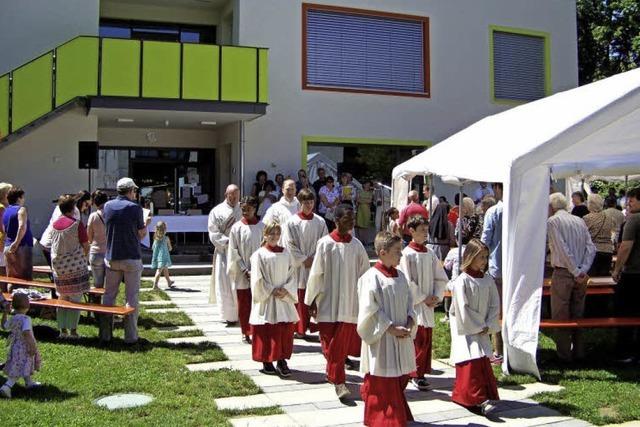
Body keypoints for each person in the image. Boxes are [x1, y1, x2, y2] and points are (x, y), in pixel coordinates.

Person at [305, 204, 370, 399]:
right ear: (336, 220)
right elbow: (316, 273)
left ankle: (339, 382)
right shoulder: (325, 243)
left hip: (349, 303)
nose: (351, 221)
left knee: (338, 346)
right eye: (346, 218)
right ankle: (333, 373)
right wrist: (311, 300)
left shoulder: (357, 246)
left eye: (353, 218)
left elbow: (365, 274)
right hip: (327, 301)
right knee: (328, 343)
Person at [358, 231, 416, 426]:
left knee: (399, 376)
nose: (400, 255)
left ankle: (397, 413)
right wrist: (390, 328)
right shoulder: (371, 277)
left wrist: (409, 321)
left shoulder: (401, 276)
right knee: (383, 377)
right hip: (382, 338)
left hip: (401, 335)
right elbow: (369, 309)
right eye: (397, 251)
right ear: (382, 252)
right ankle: (383, 418)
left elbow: (410, 302)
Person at [449, 239, 500, 415]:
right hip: (466, 329)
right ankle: (475, 399)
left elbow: (495, 304)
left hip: (483, 327)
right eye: (480, 257)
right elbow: (462, 307)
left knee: (482, 361)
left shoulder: (488, 280)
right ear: (470, 257)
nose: (484, 261)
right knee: (471, 362)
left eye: (486, 257)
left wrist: (488, 324)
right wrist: (478, 325)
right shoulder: (462, 281)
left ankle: (479, 396)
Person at [398, 216, 447, 391]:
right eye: (422, 230)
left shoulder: (430, 253)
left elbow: (440, 277)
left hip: (428, 305)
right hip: (415, 304)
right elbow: (406, 280)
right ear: (411, 231)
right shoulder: (406, 254)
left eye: (427, 230)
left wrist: (436, 296)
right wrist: (422, 297)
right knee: (416, 338)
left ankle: (421, 372)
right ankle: (414, 374)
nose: (425, 233)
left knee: (426, 339)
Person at [100, 177, 151, 344]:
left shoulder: (107, 206)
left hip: (112, 255)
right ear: (130, 191)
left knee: (109, 296)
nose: (135, 193)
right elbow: (141, 233)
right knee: (131, 296)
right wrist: (146, 223)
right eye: (134, 190)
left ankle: (105, 334)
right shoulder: (135, 208)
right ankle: (130, 337)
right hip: (131, 256)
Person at [547, 192, 596, 362]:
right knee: (577, 313)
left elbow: (562, 249)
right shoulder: (579, 220)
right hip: (580, 273)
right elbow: (591, 248)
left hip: (564, 272)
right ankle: (579, 351)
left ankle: (564, 356)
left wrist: (576, 271)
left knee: (561, 315)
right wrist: (583, 269)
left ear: (551, 207)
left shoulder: (553, 221)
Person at [249, 222, 298, 377]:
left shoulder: (286, 253)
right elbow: (257, 278)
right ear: (265, 235)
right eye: (271, 233)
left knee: (284, 330)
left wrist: (286, 288)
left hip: (283, 297)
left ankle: (282, 360)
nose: (274, 236)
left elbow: (292, 274)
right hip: (268, 298)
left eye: (277, 233)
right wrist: (271, 289)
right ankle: (267, 360)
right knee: (267, 330)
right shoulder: (259, 255)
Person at [282, 189, 328, 339]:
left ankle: (315, 326)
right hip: (299, 267)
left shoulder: (320, 222)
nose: (309, 205)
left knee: (315, 294)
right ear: (300, 203)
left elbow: (325, 243)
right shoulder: (291, 222)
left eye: (311, 202)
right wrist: (303, 259)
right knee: (300, 297)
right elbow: (289, 244)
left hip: (315, 264)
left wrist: (315, 258)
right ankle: (300, 328)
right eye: (305, 202)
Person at [50, 195, 90, 338]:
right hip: (75, 266)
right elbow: (85, 245)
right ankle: (73, 330)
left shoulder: (54, 225)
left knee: (62, 297)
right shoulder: (76, 224)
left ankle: (62, 330)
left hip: (59, 267)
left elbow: (51, 245)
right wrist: (83, 257)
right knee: (75, 298)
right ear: (73, 209)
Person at [228, 196, 264, 344]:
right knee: (244, 303)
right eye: (242, 209)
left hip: (259, 271)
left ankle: (257, 330)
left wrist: (256, 269)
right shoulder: (236, 228)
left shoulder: (262, 227)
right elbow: (233, 250)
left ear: (255, 209)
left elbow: (265, 250)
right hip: (242, 272)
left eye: (248, 209)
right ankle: (245, 331)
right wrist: (244, 269)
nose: (245, 212)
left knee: (258, 302)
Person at [612, 187, 640, 363]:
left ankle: (625, 352)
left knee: (626, 314)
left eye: (632, 200)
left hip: (634, 274)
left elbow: (625, 246)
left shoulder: (634, 220)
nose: (628, 203)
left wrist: (616, 269)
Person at [208, 184, 242, 325]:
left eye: (236, 195)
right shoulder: (217, 211)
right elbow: (213, 232)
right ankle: (228, 315)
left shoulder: (244, 209)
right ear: (226, 195)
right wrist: (229, 242)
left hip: (241, 253)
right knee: (225, 284)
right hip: (225, 252)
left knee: (240, 284)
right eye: (231, 195)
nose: (233, 198)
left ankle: (242, 314)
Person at [0, 293, 41, 399]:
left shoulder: (14, 318)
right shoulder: (26, 319)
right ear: (28, 306)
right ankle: (7, 386)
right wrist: (32, 346)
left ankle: (29, 382)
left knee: (24, 365)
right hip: (24, 348)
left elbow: (4, 326)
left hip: (15, 347)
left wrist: (5, 313)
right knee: (18, 368)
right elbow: (27, 333)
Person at [480, 182, 504, 363]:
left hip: (497, 267)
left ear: (497, 188)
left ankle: (498, 350)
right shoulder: (521, 210)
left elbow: (485, 241)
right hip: (517, 268)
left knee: (496, 309)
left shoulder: (494, 212)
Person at [3, 187, 34, 281]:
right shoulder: (21, 210)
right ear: (19, 198)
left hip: (8, 245)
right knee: (25, 278)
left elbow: (5, 229)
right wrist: (16, 243)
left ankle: (11, 295)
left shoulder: (6, 211)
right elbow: (22, 227)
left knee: (11, 278)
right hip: (21, 246)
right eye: (23, 197)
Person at [583, 194, 616, 276]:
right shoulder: (609, 217)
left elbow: (582, 236)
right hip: (608, 251)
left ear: (590, 204)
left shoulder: (587, 218)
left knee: (591, 279)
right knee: (603, 278)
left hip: (593, 251)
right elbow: (613, 233)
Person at [87, 190, 108, 295]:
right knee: (110, 286)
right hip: (109, 252)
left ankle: (97, 307)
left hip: (96, 251)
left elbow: (89, 237)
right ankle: (108, 307)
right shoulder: (111, 214)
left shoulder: (93, 216)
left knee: (97, 286)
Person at [151, 221, 174, 290]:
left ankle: (169, 282)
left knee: (165, 269)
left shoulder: (156, 239)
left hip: (157, 256)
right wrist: (169, 249)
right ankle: (155, 285)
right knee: (159, 271)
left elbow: (153, 248)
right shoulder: (166, 238)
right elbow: (170, 248)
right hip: (163, 257)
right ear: (165, 229)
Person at [0, 182, 12, 292]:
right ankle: (4, 295)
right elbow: (3, 228)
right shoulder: (2, 208)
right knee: (3, 269)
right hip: (2, 241)